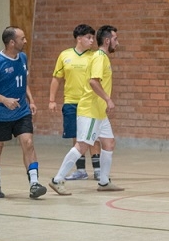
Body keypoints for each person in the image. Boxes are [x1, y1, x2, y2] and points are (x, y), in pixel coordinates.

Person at [49, 25, 124, 195]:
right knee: (82, 146)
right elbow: (93, 82)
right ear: (107, 40)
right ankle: (57, 179)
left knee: (109, 142)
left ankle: (104, 182)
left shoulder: (101, 57)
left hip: (99, 112)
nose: (117, 43)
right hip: (90, 110)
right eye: (115, 39)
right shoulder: (99, 57)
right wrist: (108, 99)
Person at [0, 26, 47, 199]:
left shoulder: (22, 57)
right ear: (11, 42)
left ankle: (34, 184)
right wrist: (4, 100)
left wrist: (31, 100)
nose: (25, 41)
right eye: (22, 38)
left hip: (21, 111)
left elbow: (23, 82)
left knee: (28, 142)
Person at [48, 24, 101, 181]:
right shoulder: (65, 55)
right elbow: (57, 79)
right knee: (76, 136)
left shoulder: (95, 56)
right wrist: (52, 100)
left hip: (90, 102)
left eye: (93, 37)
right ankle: (80, 170)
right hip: (71, 102)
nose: (92, 40)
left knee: (93, 136)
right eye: (89, 37)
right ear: (79, 39)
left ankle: (98, 169)